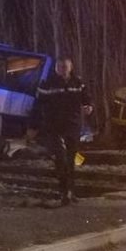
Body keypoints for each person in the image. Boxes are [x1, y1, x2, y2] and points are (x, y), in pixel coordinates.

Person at [28, 57, 93, 205]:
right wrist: (33, 127)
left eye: (65, 67)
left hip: (73, 125)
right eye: (60, 67)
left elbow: (86, 98)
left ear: (71, 67)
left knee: (71, 160)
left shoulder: (78, 83)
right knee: (60, 158)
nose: (63, 69)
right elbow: (37, 106)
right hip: (54, 127)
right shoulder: (48, 84)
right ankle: (64, 191)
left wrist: (88, 106)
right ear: (56, 68)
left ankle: (71, 191)